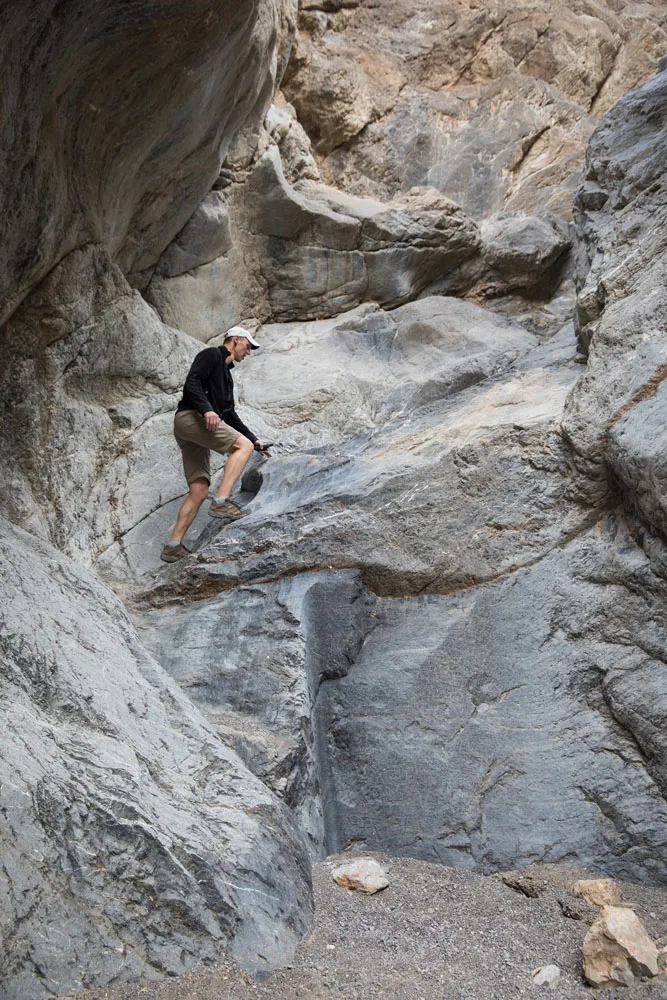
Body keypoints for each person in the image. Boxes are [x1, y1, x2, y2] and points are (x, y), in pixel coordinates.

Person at [160, 326, 269, 563]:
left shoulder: (227, 377)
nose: (248, 353)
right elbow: (192, 383)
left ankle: (173, 545)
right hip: (191, 418)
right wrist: (207, 409)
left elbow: (229, 414)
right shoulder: (211, 355)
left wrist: (255, 439)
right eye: (248, 346)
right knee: (242, 448)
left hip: (194, 426)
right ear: (236, 340)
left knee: (199, 489)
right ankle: (221, 502)